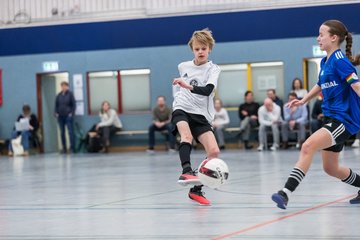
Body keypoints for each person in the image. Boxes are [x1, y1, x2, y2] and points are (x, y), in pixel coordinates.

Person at [272, 20, 360, 210]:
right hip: (331, 119)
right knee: (331, 169)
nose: (318, 38)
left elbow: (356, 86)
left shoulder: (341, 62)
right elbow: (320, 84)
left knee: (307, 146)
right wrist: (304, 100)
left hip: (343, 120)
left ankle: (285, 193)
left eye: (321, 34)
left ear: (334, 38)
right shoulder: (326, 61)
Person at [172, 28, 221, 205]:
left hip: (201, 114)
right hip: (182, 107)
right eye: (197, 48)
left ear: (209, 49)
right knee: (186, 136)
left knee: (214, 152)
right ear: (192, 49)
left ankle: (196, 190)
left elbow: (208, 90)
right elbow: (179, 88)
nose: (200, 52)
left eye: (204, 48)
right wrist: (181, 88)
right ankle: (186, 170)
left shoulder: (213, 69)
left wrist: (187, 86)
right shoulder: (183, 66)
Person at [55, 81, 76, 154]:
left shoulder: (70, 94)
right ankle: (64, 148)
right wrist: (56, 113)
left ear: (67, 87)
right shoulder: (58, 95)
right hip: (60, 116)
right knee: (62, 133)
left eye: (65, 86)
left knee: (70, 132)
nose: (63, 87)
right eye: (62, 86)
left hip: (68, 116)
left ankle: (72, 148)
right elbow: (56, 105)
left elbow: (74, 105)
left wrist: (71, 113)